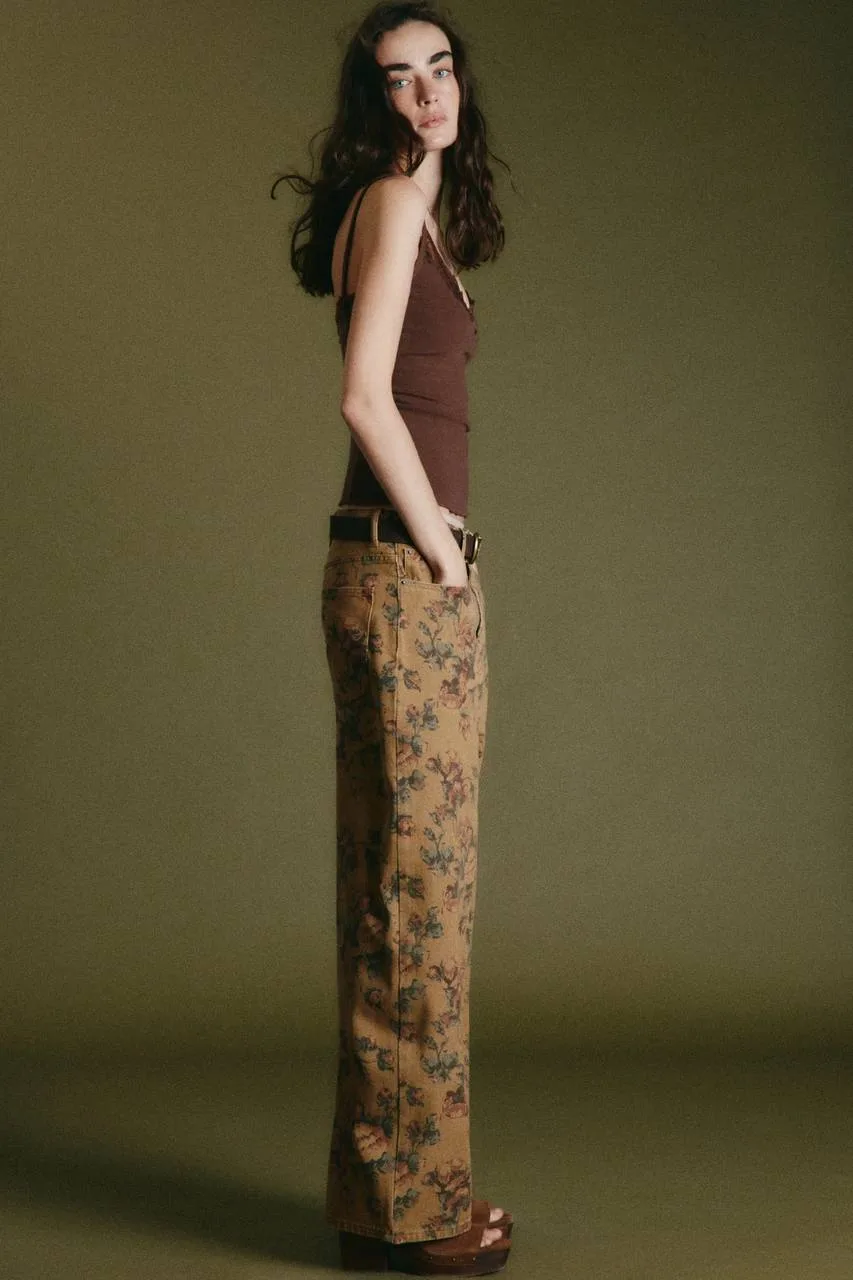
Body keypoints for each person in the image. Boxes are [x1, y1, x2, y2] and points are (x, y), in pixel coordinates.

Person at [274, 3, 512, 1272]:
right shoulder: (389, 202)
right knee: (419, 899)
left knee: (396, 891)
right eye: (398, 78)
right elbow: (366, 397)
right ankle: (425, 1214)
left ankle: (383, 1201)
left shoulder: (409, 208)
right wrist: (445, 553)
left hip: (381, 575)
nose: (428, 93)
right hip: (403, 572)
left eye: (440, 69)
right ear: (373, 102)